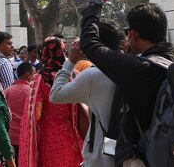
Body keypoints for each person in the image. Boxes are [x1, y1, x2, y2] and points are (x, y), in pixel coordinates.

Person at [79, 0, 174, 166]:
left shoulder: (138, 68)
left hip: (148, 157)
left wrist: (96, 2)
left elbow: (89, 43)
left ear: (133, 34)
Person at [50, 18, 124, 167]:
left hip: (100, 156)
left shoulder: (93, 76)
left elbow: (55, 95)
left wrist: (70, 61)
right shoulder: (135, 66)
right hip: (129, 149)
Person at [19, 37, 84, 167]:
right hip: (72, 133)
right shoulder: (72, 75)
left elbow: (35, 114)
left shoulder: (40, 78)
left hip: (50, 136)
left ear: (44, 52)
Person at [4, 62, 35, 164]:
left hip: (9, 138)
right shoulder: (32, 92)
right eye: (34, 74)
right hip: (26, 138)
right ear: (28, 75)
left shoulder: (6, 91)